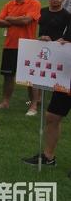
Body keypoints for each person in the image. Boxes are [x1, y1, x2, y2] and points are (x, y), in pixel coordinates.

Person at [23, 25, 71, 168]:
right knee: (52, 116)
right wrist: (52, 43)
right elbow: (65, 41)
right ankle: (48, 157)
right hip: (66, 77)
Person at [0, 0, 41, 112]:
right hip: (10, 45)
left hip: (28, 45)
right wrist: (17, 20)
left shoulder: (34, 3)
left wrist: (9, 18)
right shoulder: (9, 4)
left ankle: (33, 106)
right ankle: (5, 102)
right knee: (8, 76)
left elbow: (26, 20)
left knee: (30, 78)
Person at [28, 0, 71, 115]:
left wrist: (61, 40)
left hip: (58, 49)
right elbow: (35, 29)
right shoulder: (42, 11)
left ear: (63, 0)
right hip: (40, 47)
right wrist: (39, 38)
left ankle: (53, 105)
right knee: (36, 76)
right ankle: (34, 105)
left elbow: (68, 34)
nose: (55, 0)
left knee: (55, 77)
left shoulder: (67, 15)